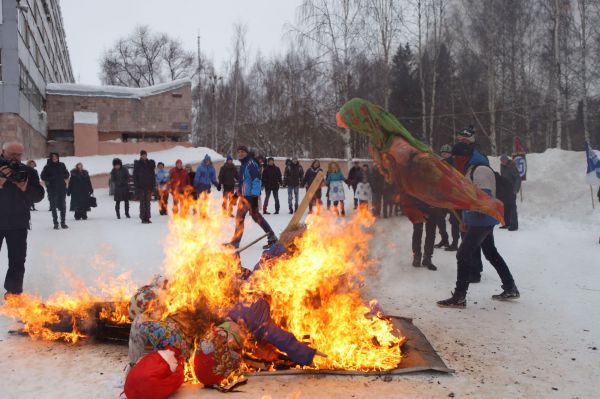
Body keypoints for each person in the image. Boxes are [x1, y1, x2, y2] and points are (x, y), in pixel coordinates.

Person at [437, 142, 519, 308]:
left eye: (456, 157)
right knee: (490, 253)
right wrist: (465, 220)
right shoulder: (470, 170)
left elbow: (483, 201)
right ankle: (510, 287)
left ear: (463, 157)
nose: (454, 160)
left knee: (463, 254)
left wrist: (469, 220)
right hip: (480, 220)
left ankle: (459, 297)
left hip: (482, 220)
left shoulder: (479, 170)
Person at [0, 141, 45, 297]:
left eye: (19, 154)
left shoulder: (28, 172)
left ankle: (13, 292)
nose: (16, 158)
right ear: (3, 151)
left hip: (18, 223)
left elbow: (39, 196)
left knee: (17, 260)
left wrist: (25, 188)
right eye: (12, 154)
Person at [226, 146, 277, 249]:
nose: (240, 153)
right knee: (240, 218)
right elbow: (243, 182)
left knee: (256, 217)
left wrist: (254, 198)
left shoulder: (251, 163)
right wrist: (236, 195)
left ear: (247, 153)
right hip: (244, 196)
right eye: (239, 152)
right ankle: (235, 242)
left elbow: (256, 181)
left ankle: (272, 237)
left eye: (242, 152)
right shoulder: (244, 164)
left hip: (250, 197)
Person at [435, 144, 460, 251]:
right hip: (442, 196)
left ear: (450, 154)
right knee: (439, 218)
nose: (445, 154)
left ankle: (455, 243)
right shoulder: (440, 164)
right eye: (443, 153)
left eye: (447, 153)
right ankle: (444, 239)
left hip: (453, 197)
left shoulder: (455, 164)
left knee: (454, 221)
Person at [41, 152, 70, 230]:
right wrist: (52, 178)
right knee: (53, 207)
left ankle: (63, 223)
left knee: (63, 206)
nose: (54, 158)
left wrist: (63, 176)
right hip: (52, 190)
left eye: (56, 156)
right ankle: (55, 223)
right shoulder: (47, 167)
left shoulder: (62, 165)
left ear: (58, 157)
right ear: (51, 158)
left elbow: (67, 174)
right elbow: (43, 176)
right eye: (53, 157)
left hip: (62, 189)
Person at [133, 150, 156, 224]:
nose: (144, 156)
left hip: (149, 187)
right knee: (142, 203)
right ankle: (143, 218)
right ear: (140, 156)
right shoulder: (137, 164)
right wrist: (137, 187)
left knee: (148, 203)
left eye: (145, 155)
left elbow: (153, 176)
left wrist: (153, 186)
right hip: (141, 187)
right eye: (143, 155)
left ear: (147, 155)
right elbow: (135, 177)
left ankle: (148, 218)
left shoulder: (150, 164)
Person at [499, 154, 521, 231]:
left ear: (507, 160)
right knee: (505, 207)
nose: (502, 162)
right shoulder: (502, 166)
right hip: (505, 190)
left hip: (511, 190)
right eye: (501, 161)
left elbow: (518, 178)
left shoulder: (512, 167)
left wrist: (516, 189)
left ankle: (514, 225)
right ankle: (506, 223)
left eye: (503, 160)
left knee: (512, 208)